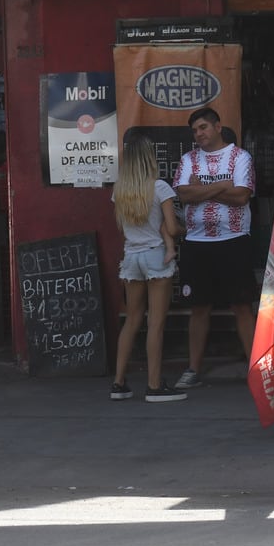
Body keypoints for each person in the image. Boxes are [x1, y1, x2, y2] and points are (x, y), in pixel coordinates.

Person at [172, 107, 257, 390]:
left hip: (234, 240)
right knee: (199, 307)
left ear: (218, 127)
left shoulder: (240, 157)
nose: (199, 134)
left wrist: (203, 189)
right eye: (195, 130)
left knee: (242, 305)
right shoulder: (188, 159)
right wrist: (223, 185)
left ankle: (256, 368)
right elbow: (184, 194)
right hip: (197, 243)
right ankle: (193, 369)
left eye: (204, 127)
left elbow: (242, 196)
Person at [110, 139, 187, 403]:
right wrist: (182, 231)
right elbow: (173, 228)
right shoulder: (159, 187)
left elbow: (121, 229)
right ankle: (154, 386)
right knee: (156, 322)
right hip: (156, 256)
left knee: (132, 320)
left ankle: (118, 383)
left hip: (131, 257)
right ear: (149, 159)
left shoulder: (120, 190)